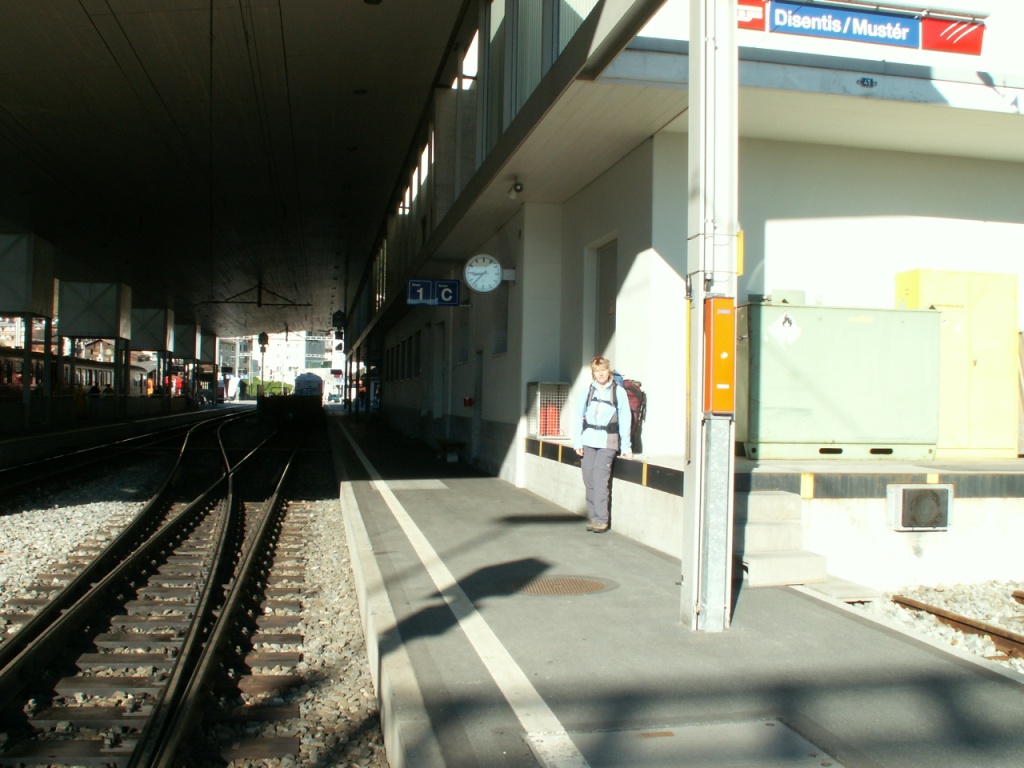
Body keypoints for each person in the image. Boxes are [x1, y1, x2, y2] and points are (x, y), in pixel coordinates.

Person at [572, 356, 632, 533]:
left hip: (608, 441)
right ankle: (594, 517)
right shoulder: (587, 391)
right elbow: (577, 416)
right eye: (597, 371)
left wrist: (626, 446)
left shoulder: (618, 392)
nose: (600, 374)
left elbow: (625, 418)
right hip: (588, 440)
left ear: (609, 371)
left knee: (599, 479)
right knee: (589, 479)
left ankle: (601, 519)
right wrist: (578, 442)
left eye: (603, 370)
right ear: (593, 373)